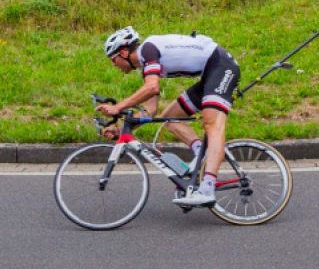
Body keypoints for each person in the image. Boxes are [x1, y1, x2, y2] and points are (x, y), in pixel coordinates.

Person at [98, 26, 239, 207]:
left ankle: (207, 189)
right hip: (211, 74)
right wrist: (121, 130)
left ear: (124, 52)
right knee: (170, 119)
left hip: (222, 67)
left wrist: (117, 107)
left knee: (212, 124)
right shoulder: (147, 64)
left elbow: (152, 87)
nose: (113, 64)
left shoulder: (148, 50)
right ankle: (201, 152)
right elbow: (150, 111)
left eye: (113, 59)